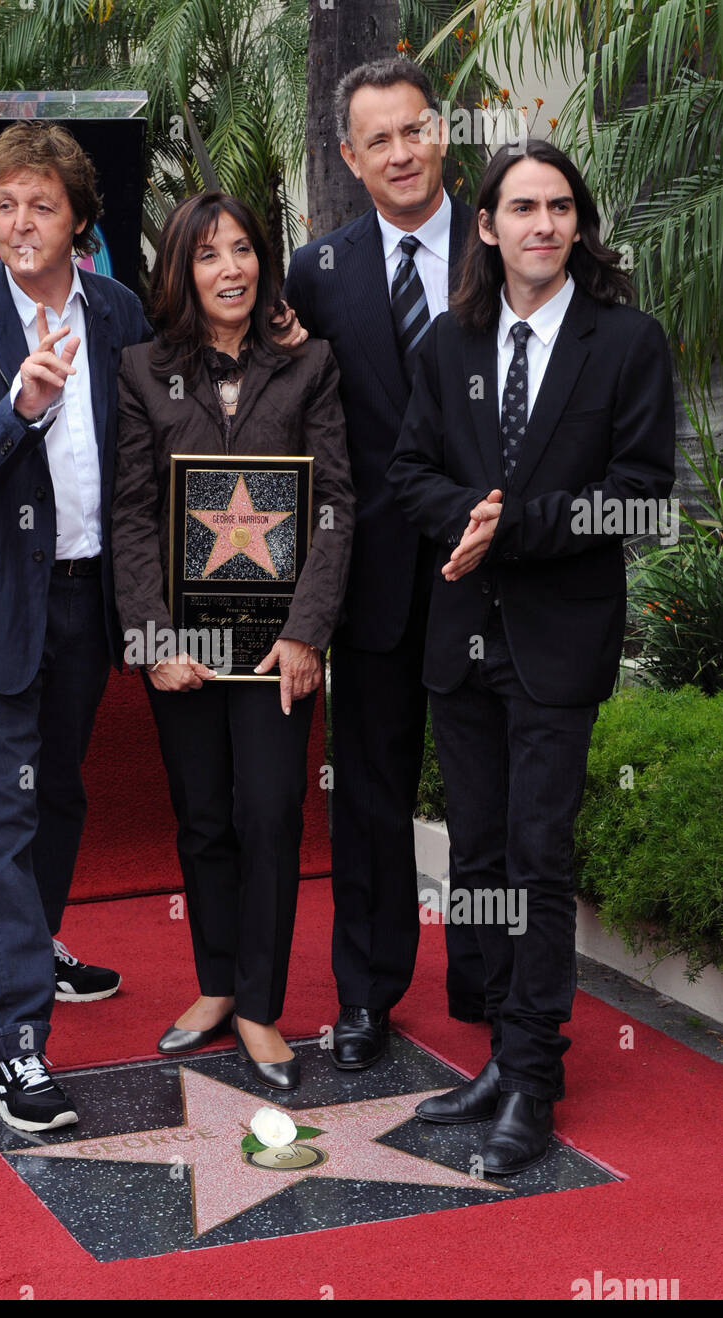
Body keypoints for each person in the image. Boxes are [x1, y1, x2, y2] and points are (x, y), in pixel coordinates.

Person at [386, 140, 675, 1174]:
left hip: (558, 641)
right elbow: (407, 470)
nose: (543, 224)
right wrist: (464, 515)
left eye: (560, 207)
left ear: (577, 225)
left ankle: (535, 1079)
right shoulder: (448, 346)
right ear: (487, 225)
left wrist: (516, 525)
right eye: (522, 206)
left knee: (537, 860)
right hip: (460, 642)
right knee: (478, 863)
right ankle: (503, 1058)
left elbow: (642, 492)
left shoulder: (626, 343)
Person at [0, 122, 152, 1133]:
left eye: (39, 204)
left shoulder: (119, 310)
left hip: (86, 598)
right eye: (4, 203)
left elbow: (149, 449)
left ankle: (35, 943)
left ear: (80, 221)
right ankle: (13, 1038)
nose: (17, 221)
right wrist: (18, 407)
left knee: (58, 794)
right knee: (1, 820)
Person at [112, 192, 355, 1091]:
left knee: (270, 814)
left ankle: (259, 1005)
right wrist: (151, 637)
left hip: (275, 648)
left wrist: (307, 633)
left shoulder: (309, 365)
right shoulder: (141, 370)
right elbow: (132, 515)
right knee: (205, 816)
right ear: (182, 269)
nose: (231, 269)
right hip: (181, 645)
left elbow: (336, 503)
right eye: (210, 254)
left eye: (244, 250)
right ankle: (215, 984)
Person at [283, 57, 487, 1072]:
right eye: (380, 140)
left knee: (490, 786)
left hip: (490, 571)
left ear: (439, 133)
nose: (401, 153)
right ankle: (365, 992)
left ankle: (493, 981)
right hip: (366, 585)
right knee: (367, 795)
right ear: (349, 156)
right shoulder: (315, 273)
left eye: (416, 131)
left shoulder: (503, 247)